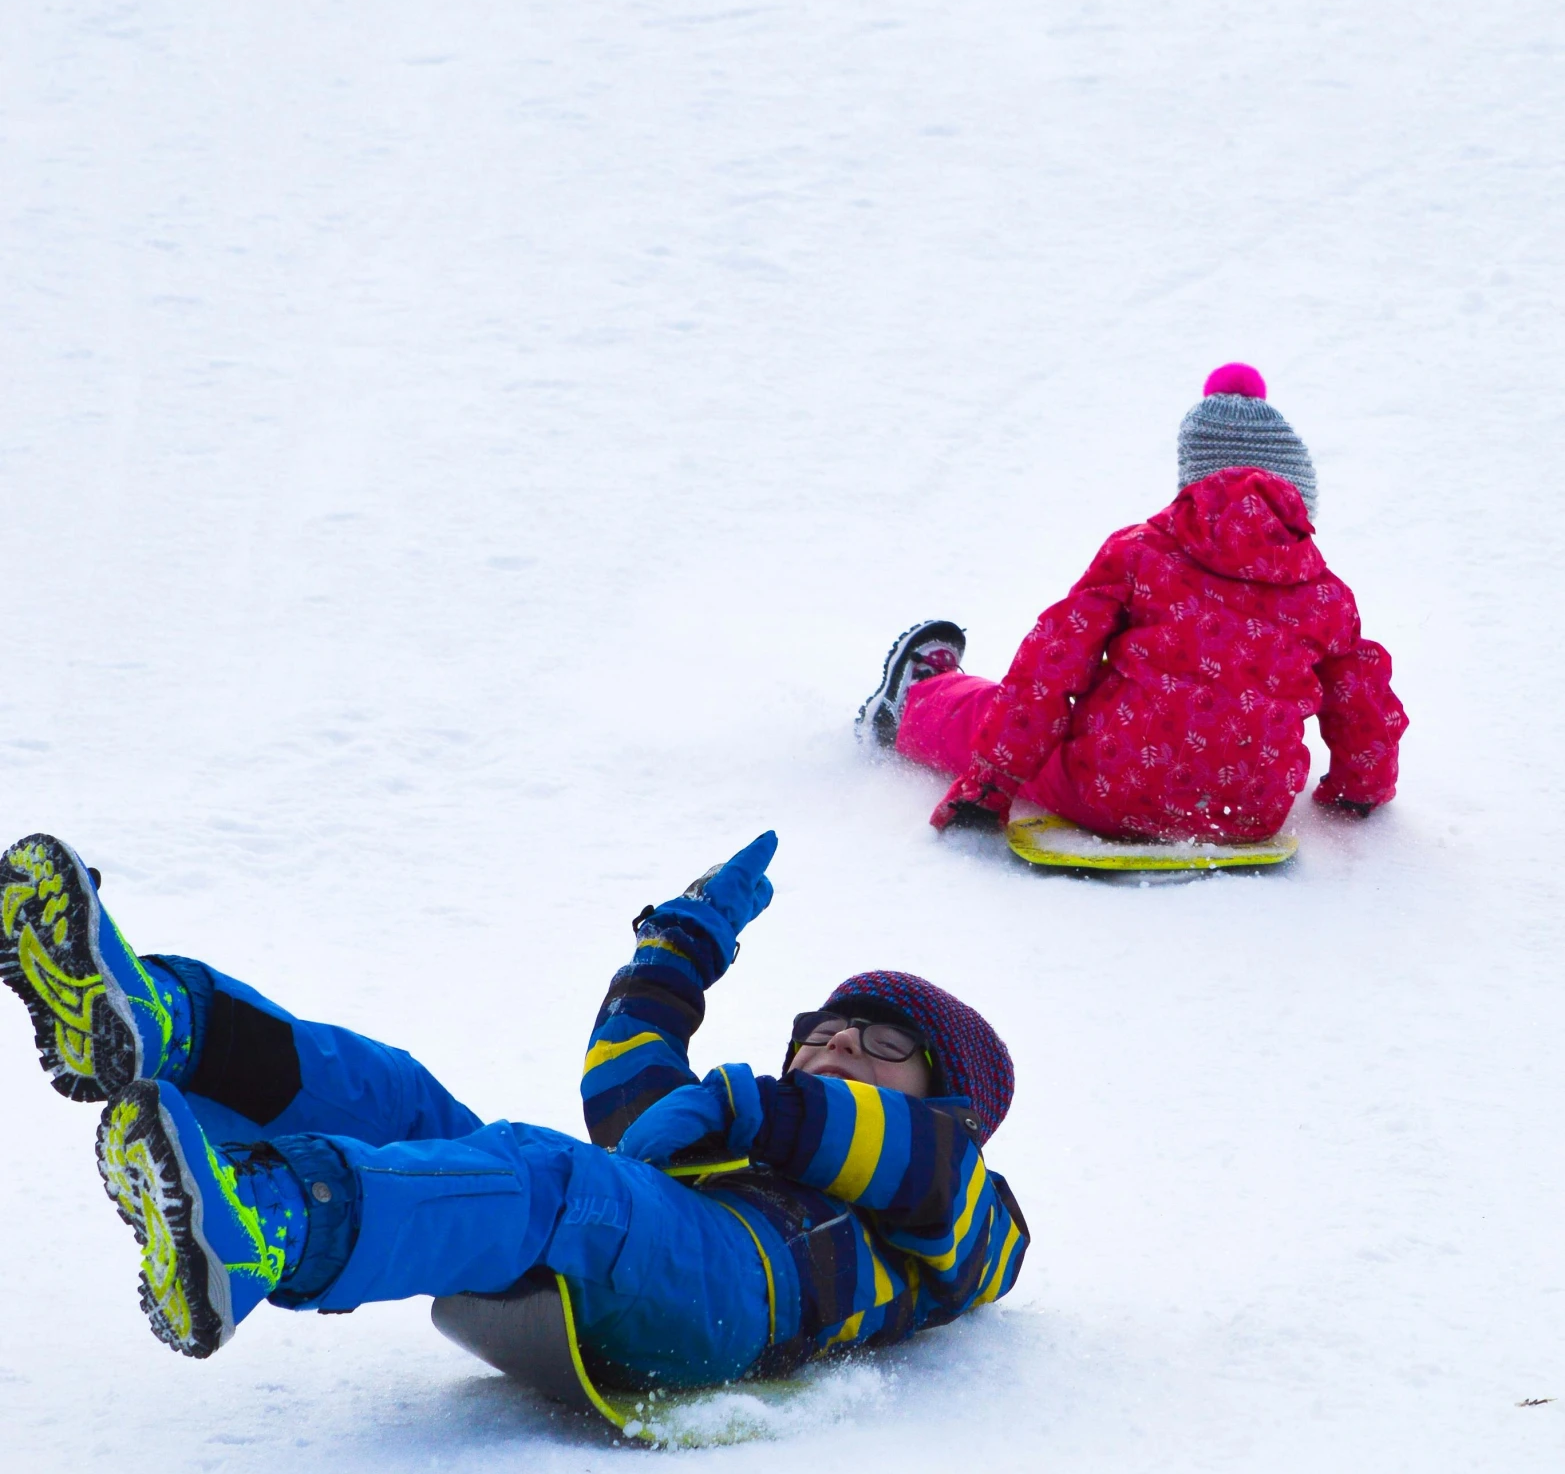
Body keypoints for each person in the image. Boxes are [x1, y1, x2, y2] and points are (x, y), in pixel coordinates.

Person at [0, 830, 1027, 1382]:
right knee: (399, 1099)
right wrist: (682, 940)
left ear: (954, 1109)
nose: (838, 1043)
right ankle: (159, 1024)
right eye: (823, 1030)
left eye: (885, 1045)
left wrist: (752, 1109)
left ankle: (263, 1229)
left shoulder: (960, 1211)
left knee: (547, 1179)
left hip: (736, 1299)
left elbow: (921, 1169)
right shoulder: (721, 1139)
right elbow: (628, 1080)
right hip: (645, 1237)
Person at [856, 364, 1410, 845]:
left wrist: (990, 786)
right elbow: (1364, 705)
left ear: (1192, 482)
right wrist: (1359, 794)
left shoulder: (1141, 552)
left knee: (993, 711)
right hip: (1251, 813)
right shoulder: (1324, 593)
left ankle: (914, 700)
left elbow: (1048, 669)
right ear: (1298, 501)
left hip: (1110, 787)